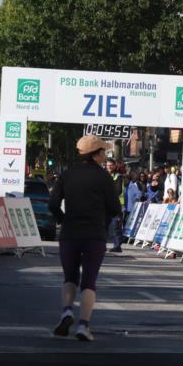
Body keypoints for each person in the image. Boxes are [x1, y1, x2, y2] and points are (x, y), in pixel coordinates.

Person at [48, 135, 121, 342]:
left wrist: (63, 220)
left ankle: (66, 312)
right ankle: (83, 325)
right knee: (89, 282)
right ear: (96, 154)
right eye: (103, 152)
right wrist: (103, 220)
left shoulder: (67, 175)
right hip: (94, 235)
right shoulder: (103, 177)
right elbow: (115, 208)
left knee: (69, 277)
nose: (105, 155)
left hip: (70, 233)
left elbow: (53, 204)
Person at [104, 158, 124, 252]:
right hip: (104, 205)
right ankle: (101, 245)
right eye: (108, 165)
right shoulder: (103, 175)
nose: (109, 167)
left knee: (116, 225)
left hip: (116, 205)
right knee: (103, 225)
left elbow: (118, 190)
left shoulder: (118, 176)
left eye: (111, 165)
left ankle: (117, 246)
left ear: (115, 166)